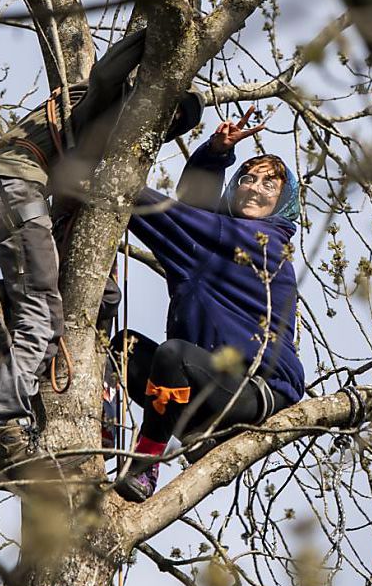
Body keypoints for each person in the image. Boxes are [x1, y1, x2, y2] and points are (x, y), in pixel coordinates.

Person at [0, 29, 203, 475]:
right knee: (42, 314)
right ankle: (7, 425)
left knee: (93, 298)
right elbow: (105, 76)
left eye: (173, 123)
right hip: (12, 189)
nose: (164, 123)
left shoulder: (95, 143)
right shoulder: (99, 101)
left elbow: (68, 209)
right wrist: (154, 31)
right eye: (168, 111)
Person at [114, 107, 305, 502]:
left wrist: (115, 183)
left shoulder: (262, 246)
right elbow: (195, 212)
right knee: (122, 350)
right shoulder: (211, 241)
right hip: (207, 378)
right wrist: (215, 155)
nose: (254, 188)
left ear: (283, 203)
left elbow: (182, 218)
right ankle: (197, 431)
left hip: (259, 388)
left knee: (172, 356)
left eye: (269, 185)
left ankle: (145, 465)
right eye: (247, 179)